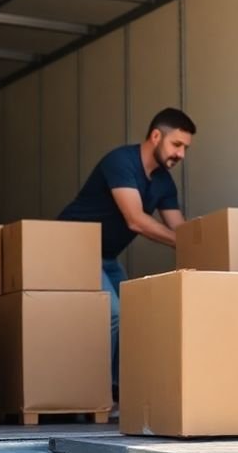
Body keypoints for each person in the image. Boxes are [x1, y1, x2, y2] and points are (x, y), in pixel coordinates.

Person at [59, 108, 195, 402]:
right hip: (72, 247)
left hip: (106, 256)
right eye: (177, 144)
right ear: (156, 136)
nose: (181, 154)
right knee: (113, 313)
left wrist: (202, 246)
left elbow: (180, 230)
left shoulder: (163, 182)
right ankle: (99, 395)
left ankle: (124, 393)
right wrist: (183, 244)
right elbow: (135, 219)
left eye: (185, 148)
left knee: (134, 315)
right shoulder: (121, 162)